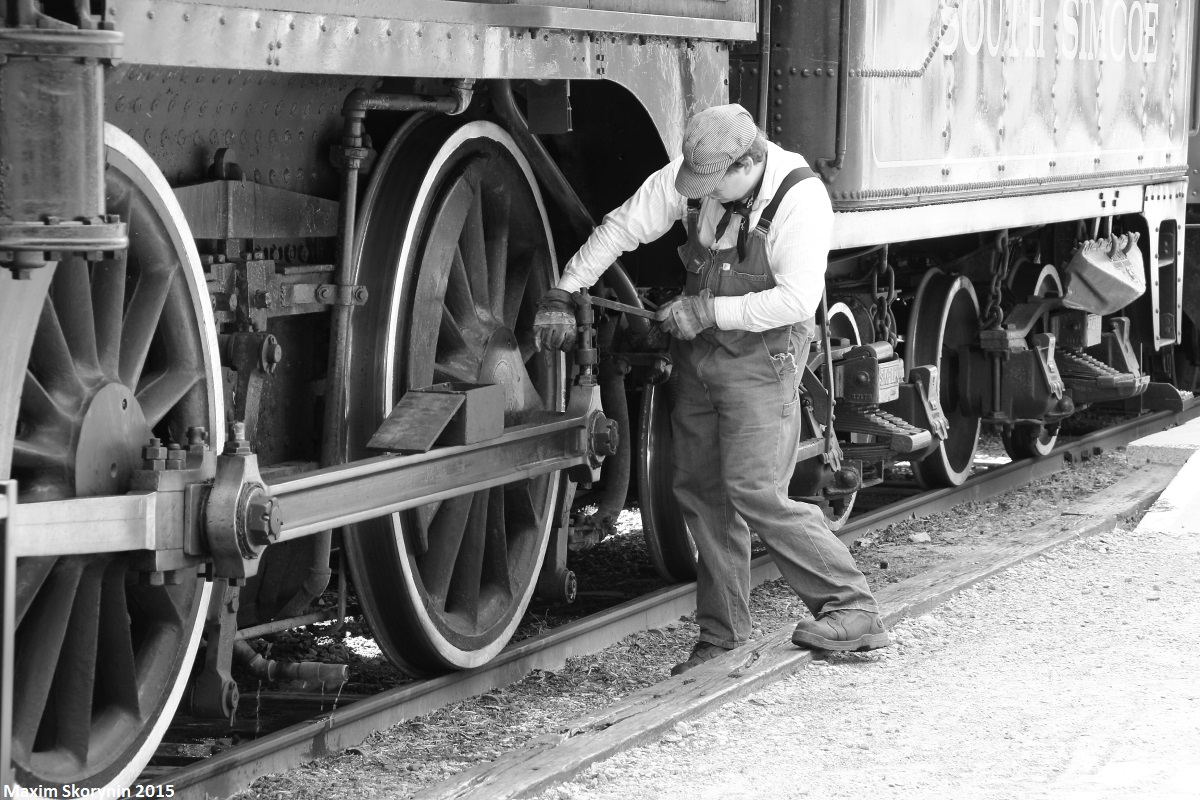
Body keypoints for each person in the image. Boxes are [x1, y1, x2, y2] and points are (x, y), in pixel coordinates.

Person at [534, 103, 889, 675]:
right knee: (700, 490)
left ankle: (852, 606)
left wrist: (708, 310)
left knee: (754, 490)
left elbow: (797, 301)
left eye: (712, 187)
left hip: (762, 356)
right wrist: (564, 289)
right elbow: (622, 227)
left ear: (747, 163)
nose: (701, 196)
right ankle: (722, 635)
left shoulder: (800, 199)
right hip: (700, 356)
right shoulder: (699, 177)